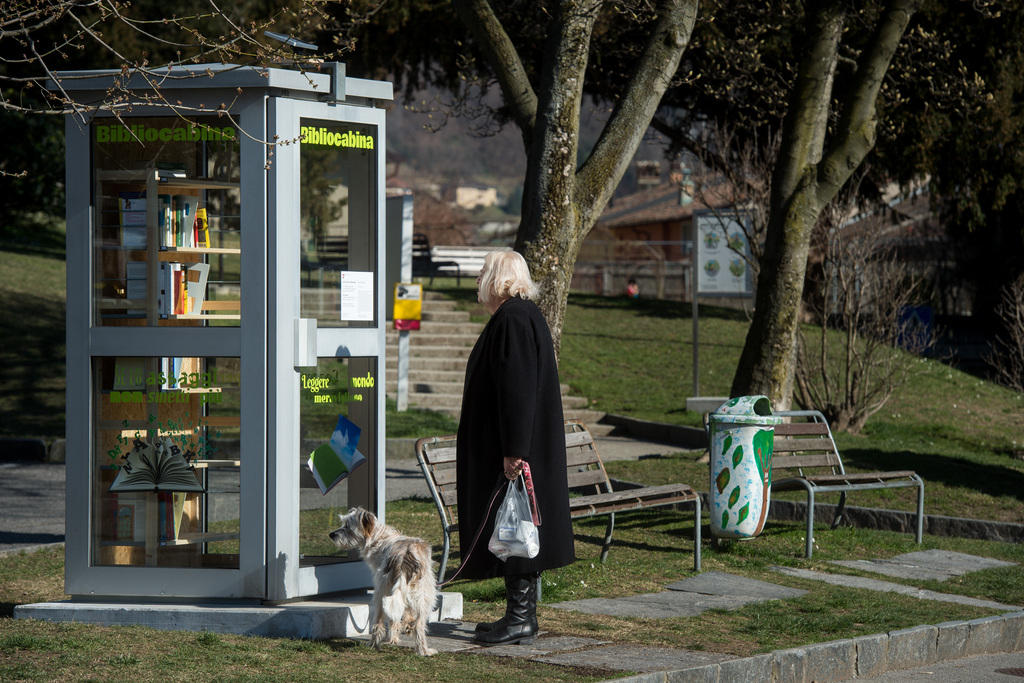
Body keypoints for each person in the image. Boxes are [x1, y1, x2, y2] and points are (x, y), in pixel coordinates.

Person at [455, 250, 575, 646]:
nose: (477, 281)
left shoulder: (513, 319)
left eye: (482, 274)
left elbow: (518, 389)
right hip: (518, 446)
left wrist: (514, 450)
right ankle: (519, 615)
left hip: (515, 450)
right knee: (515, 527)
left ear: (498, 278)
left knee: (516, 526)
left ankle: (521, 617)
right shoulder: (521, 316)